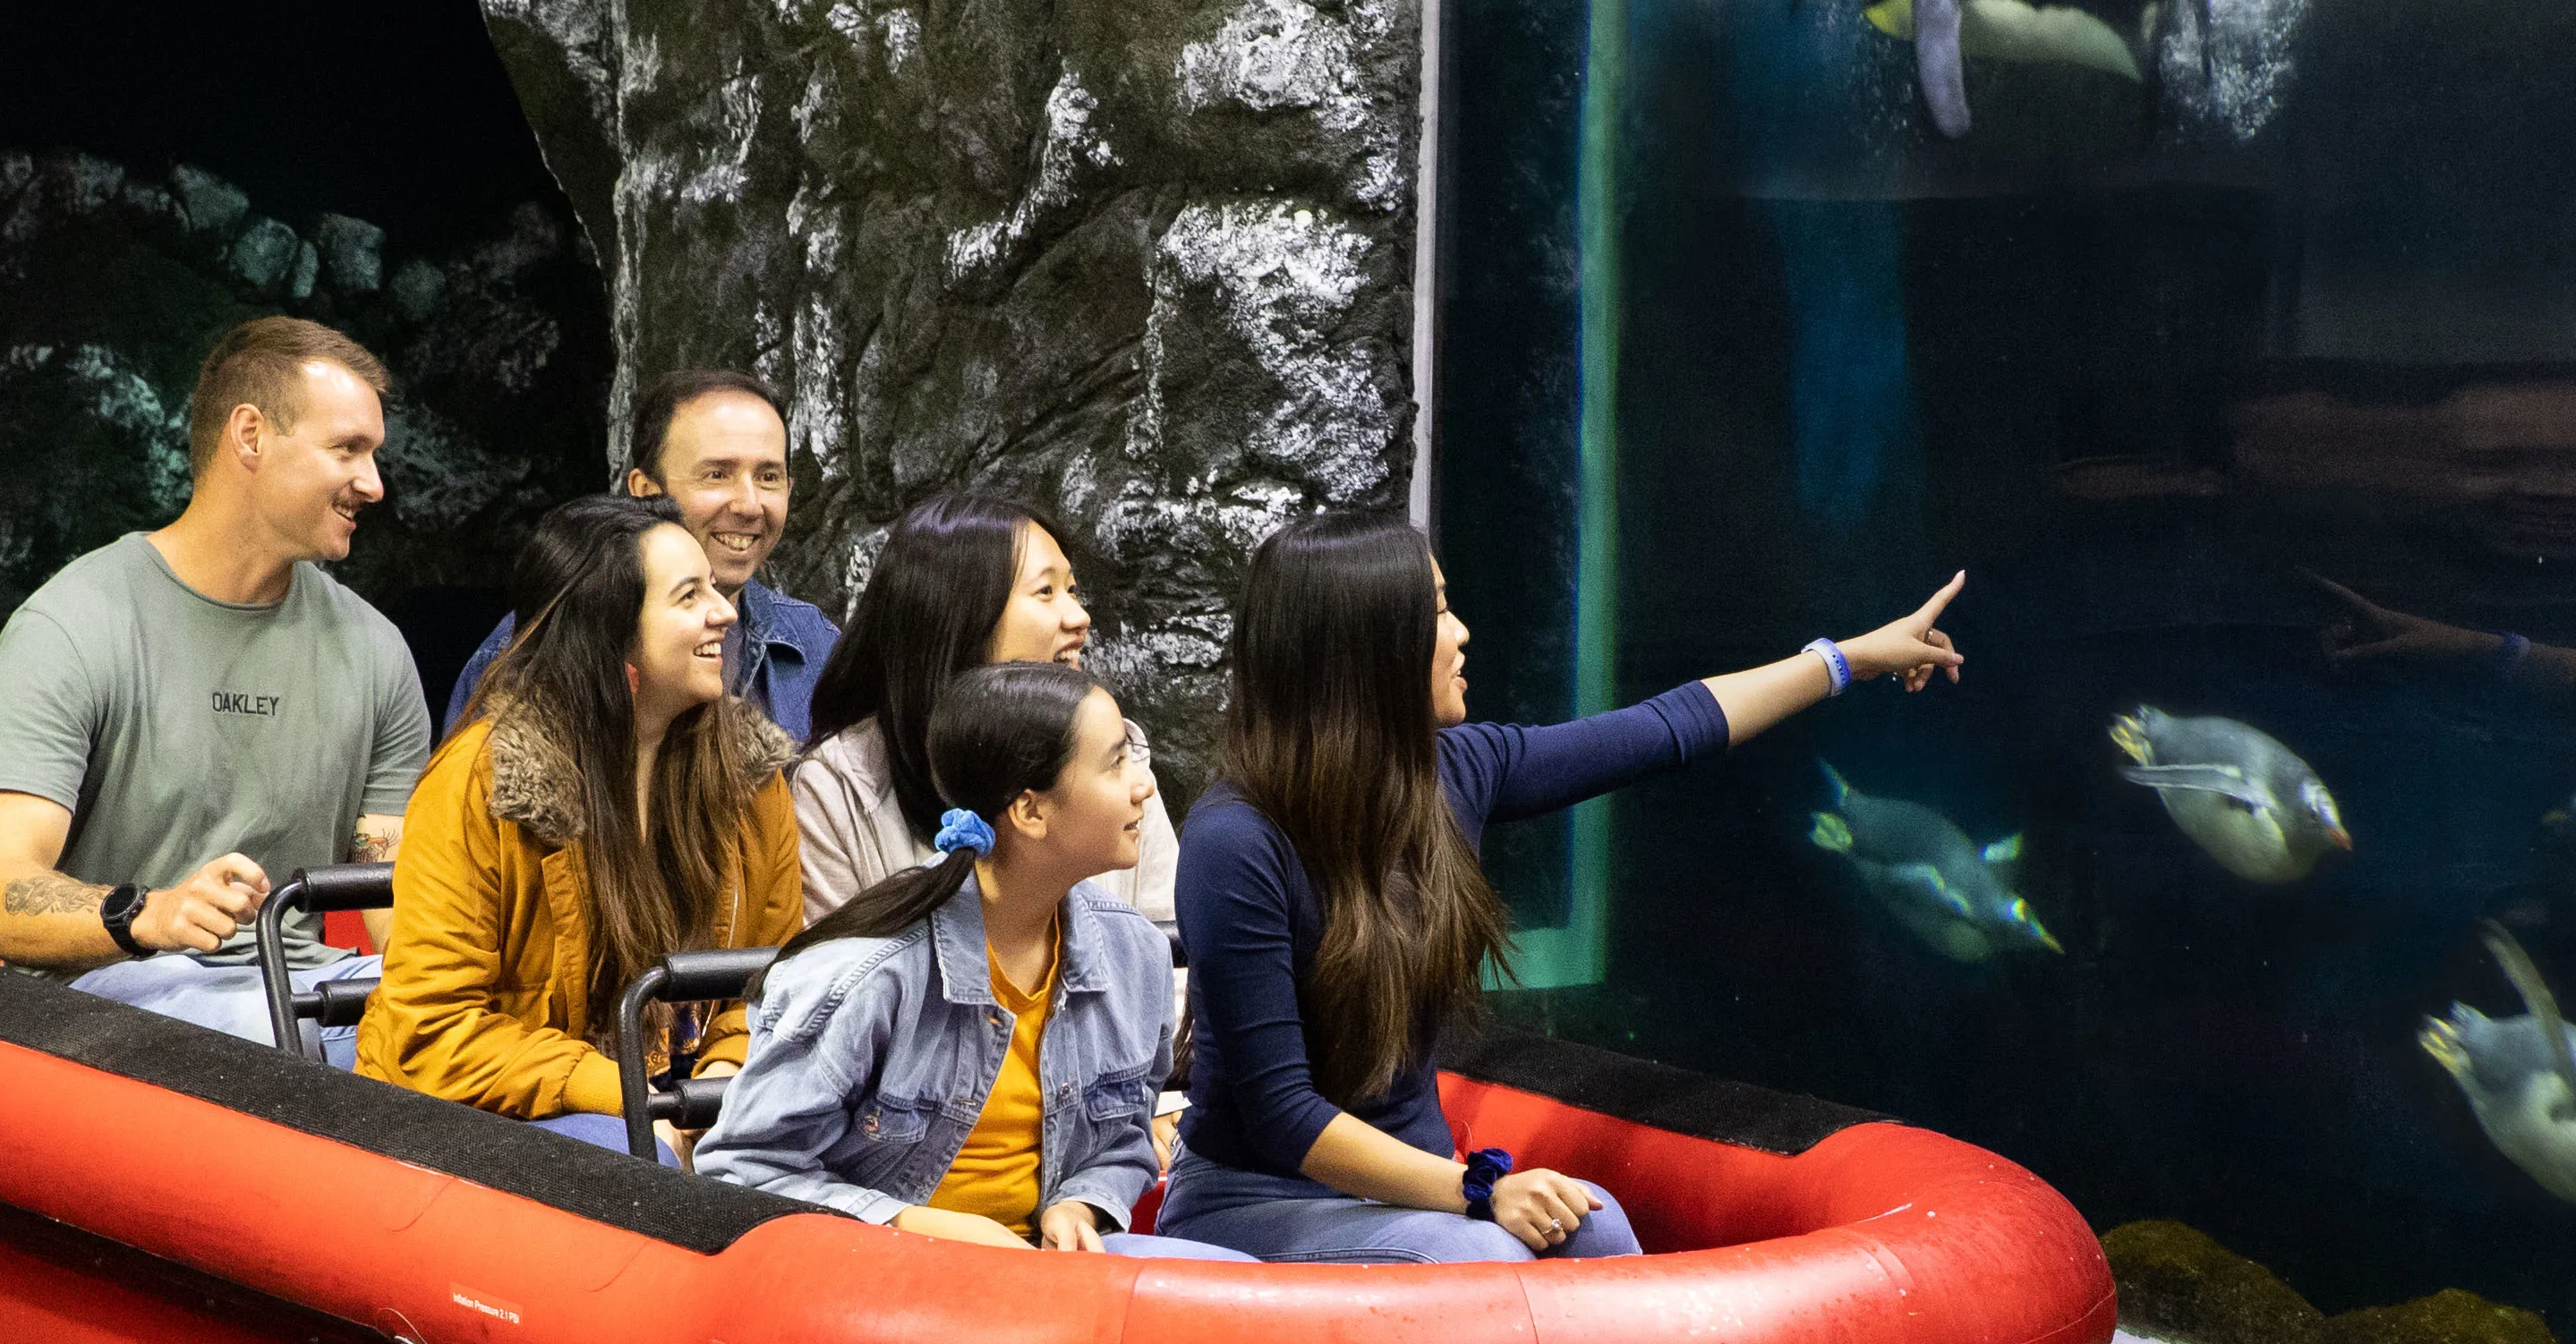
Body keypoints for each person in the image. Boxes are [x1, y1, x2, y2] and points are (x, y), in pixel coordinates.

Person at [1167, 510, 1968, 1263]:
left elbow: (1670, 726)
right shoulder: (1235, 842)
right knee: (1487, 1254)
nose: (1462, 633)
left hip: (1410, 1191)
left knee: (1598, 1225)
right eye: (1439, 613)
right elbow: (1281, 1116)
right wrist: (1477, 1191)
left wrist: (1848, 660)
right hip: (1258, 1195)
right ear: (1370, 648)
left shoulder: (1456, 772)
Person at [0, 317, 431, 1059]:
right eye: (348, 450)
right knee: (299, 1034)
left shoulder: (378, 651)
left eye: (374, 454)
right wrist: (153, 913)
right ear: (249, 436)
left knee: (455, 1031)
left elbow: (395, 904)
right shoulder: (72, 623)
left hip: (309, 993)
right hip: (109, 994)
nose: (374, 484)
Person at [699, 661, 1242, 1255]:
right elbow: (741, 1172)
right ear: (1030, 811)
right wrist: (917, 1226)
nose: (1145, 784)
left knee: (1227, 1280)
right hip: (881, 1272)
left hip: (1040, 1265)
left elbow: (1123, 1142)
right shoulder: (871, 973)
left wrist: (1081, 1200)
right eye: (1115, 763)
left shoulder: (1133, 952)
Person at [357, 492, 806, 1140]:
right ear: (608, 631)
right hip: (504, 1117)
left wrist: (719, 1085)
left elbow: (770, 989)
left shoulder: (751, 780)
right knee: (621, 1150)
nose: (724, 613)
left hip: (683, 1107)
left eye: (714, 588)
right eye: (689, 597)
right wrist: (625, 1099)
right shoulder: (481, 783)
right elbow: (431, 1033)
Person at [791, 491, 1182, 925]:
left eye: (1072, 589)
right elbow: (836, 978)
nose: (1079, 617)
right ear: (957, 617)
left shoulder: (1123, 760)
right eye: (1046, 591)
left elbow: (1170, 956)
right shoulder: (840, 786)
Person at [441, 372, 831, 741]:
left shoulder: (816, 647)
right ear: (645, 491)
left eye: (768, 477)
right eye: (717, 474)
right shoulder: (537, 645)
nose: (749, 505)